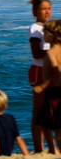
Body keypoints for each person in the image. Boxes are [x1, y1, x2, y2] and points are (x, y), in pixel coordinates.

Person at [28, 0, 55, 153]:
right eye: (43, 9)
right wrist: (53, 50)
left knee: (49, 111)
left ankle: (48, 147)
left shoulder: (50, 27)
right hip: (39, 71)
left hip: (47, 71)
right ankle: (39, 148)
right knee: (39, 112)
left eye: (49, 8)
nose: (47, 12)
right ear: (35, 11)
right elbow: (36, 53)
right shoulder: (35, 28)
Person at [32, 19, 61, 149]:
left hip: (54, 93)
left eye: (45, 32)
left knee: (56, 128)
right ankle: (51, 149)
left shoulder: (50, 53)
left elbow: (57, 73)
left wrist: (42, 87)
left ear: (53, 35)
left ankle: (54, 150)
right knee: (44, 120)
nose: (43, 35)